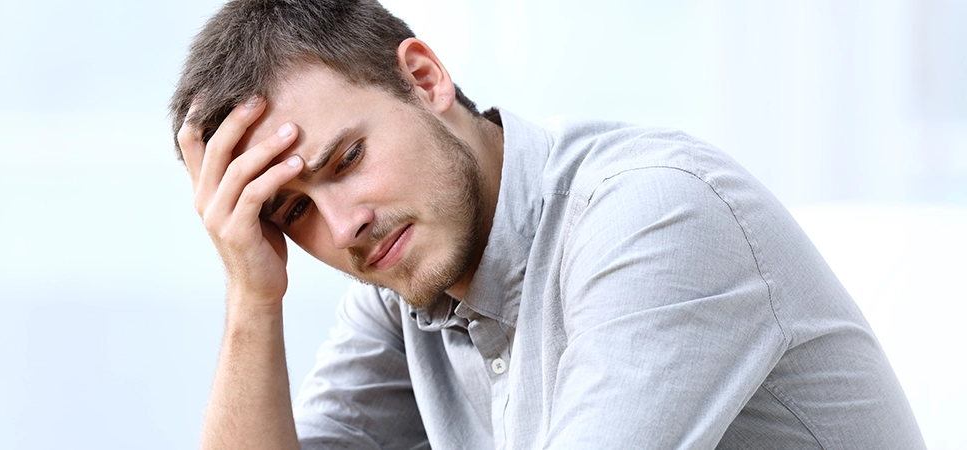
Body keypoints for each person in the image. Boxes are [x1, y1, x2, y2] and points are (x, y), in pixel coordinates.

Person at [170, 0, 925, 448]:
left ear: (424, 79)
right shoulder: (404, 284)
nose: (344, 227)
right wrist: (252, 300)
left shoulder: (654, 217)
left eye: (348, 158)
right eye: (295, 212)